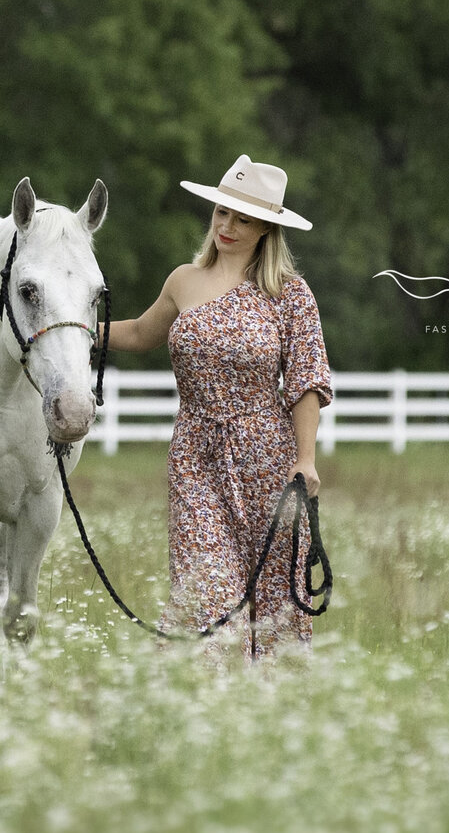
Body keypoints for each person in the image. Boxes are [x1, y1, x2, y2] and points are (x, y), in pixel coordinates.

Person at [100, 156, 333, 663]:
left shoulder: (289, 294)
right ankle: (196, 703)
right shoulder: (183, 279)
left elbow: (307, 381)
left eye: (243, 218)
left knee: (276, 603)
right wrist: (71, 332)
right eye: (222, 212)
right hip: (195, 456)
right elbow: (141, 333)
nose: (227, 226)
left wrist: (307, 458)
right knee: (207, 587)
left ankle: (268, 720)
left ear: (266, 227)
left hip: (269, 459)